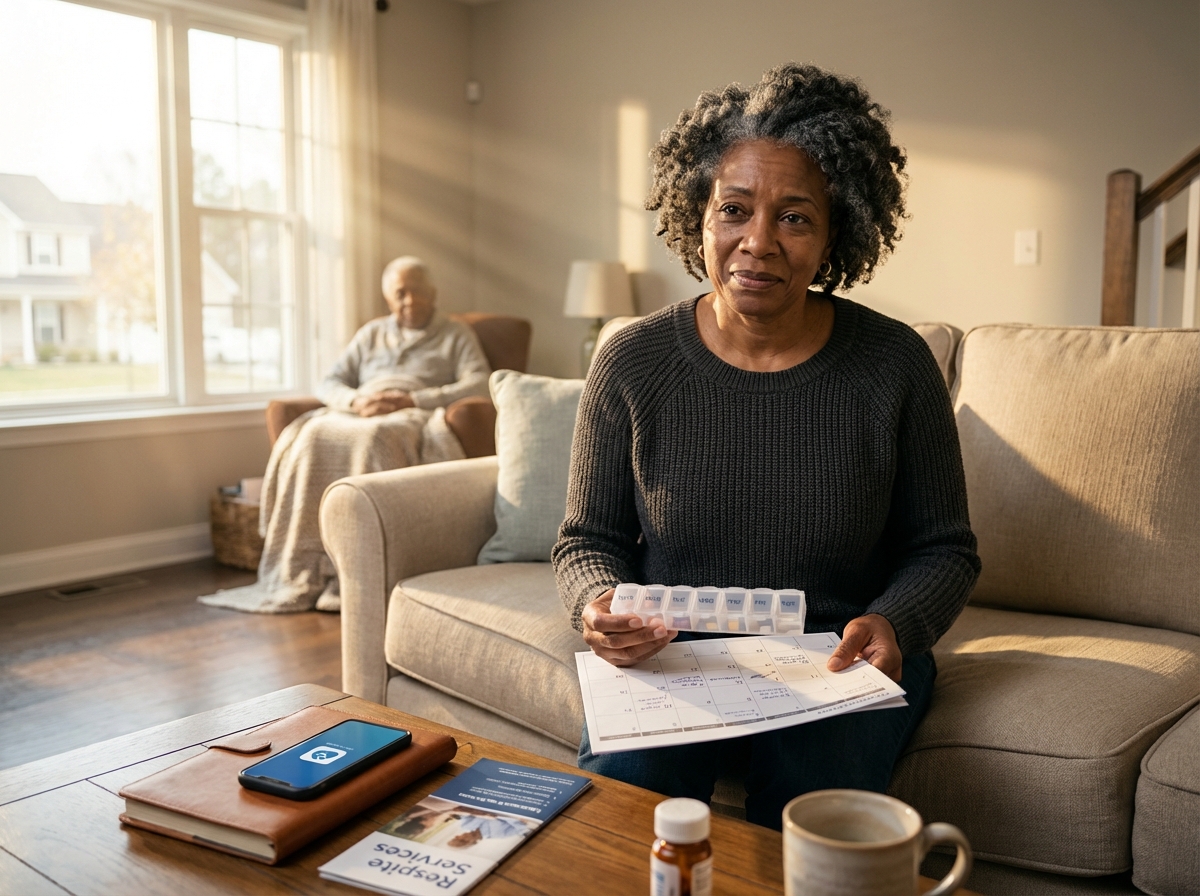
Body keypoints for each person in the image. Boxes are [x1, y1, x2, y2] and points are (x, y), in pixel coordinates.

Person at [551, 63, 981, 831]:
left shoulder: (894, 365)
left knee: (809, 816)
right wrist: (597, 603)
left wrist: (894, 624)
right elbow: (587, 540)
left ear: (835, 233)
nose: (757, 242)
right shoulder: (632, 359)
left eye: (794, 217)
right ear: (699, 218)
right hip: (674, 653)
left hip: (843, 660)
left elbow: (943, 549)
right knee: (620, 814)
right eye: (735, 210)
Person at [200, 256, 490, 614]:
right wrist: (356, 400)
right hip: (359, 409)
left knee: (377, 438)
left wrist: (413, 398)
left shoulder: (455, 334)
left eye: (418, 292)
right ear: (388, 298)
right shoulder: (370, 333)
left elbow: (479, 382)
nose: (410, 301)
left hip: (411, 412)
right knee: (312, 433)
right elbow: (329, 382)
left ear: (433, 294)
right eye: (401, 293)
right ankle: (309, 567)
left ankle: (360, 570)